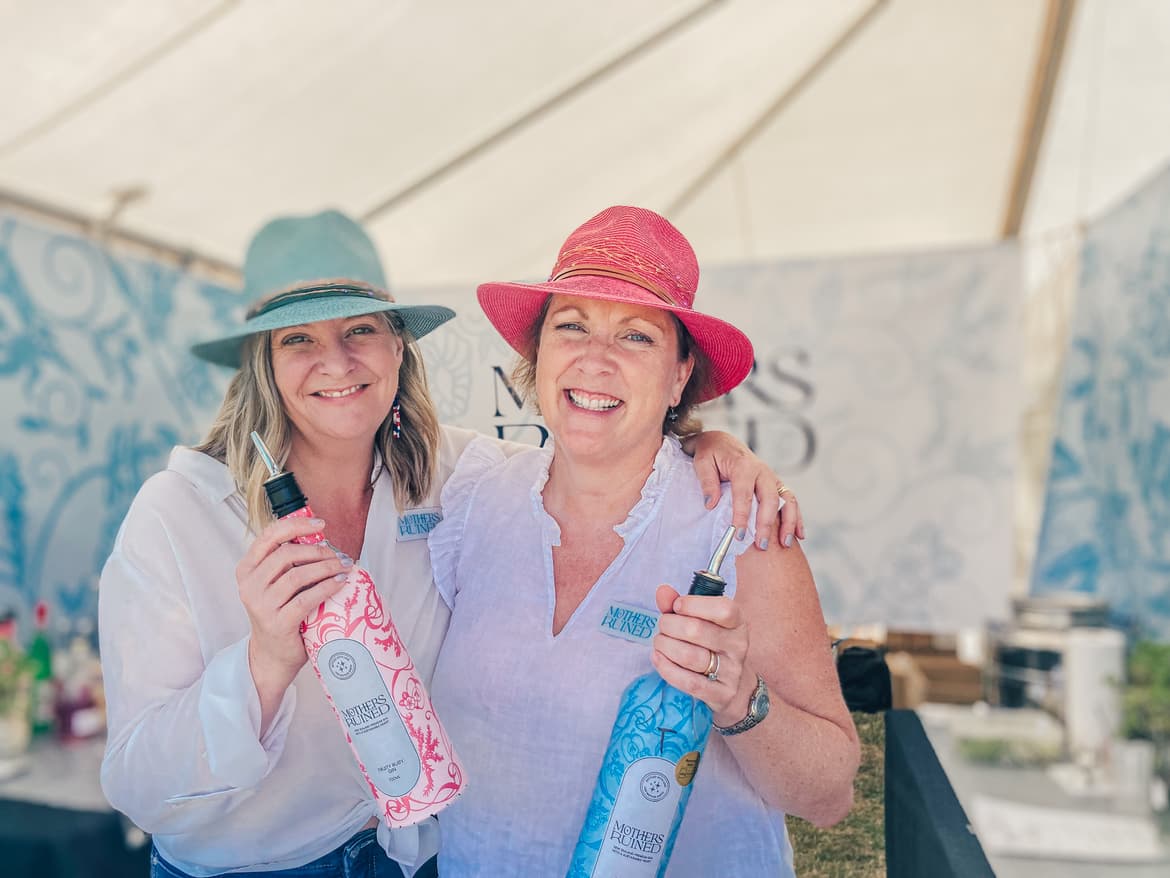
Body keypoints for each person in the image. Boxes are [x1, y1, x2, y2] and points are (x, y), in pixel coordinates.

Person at [97, 209, 806, 878]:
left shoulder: (449, 481)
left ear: (398, 346)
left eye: (362, 330)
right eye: (299, 339)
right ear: (261, 362)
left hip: (413, 859)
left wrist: (706, 446)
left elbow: (601, 452)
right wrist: (263, 662)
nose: (337, 362)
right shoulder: (181, 513)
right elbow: (137, 783)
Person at [428, 206, 859, 877]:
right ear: (536, 354)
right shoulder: (473, 497)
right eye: (570, 326)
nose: (595, 359)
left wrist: (739, 696)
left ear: (680, 376)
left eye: (636, 338)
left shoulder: (738, 527)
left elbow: (829, 794)